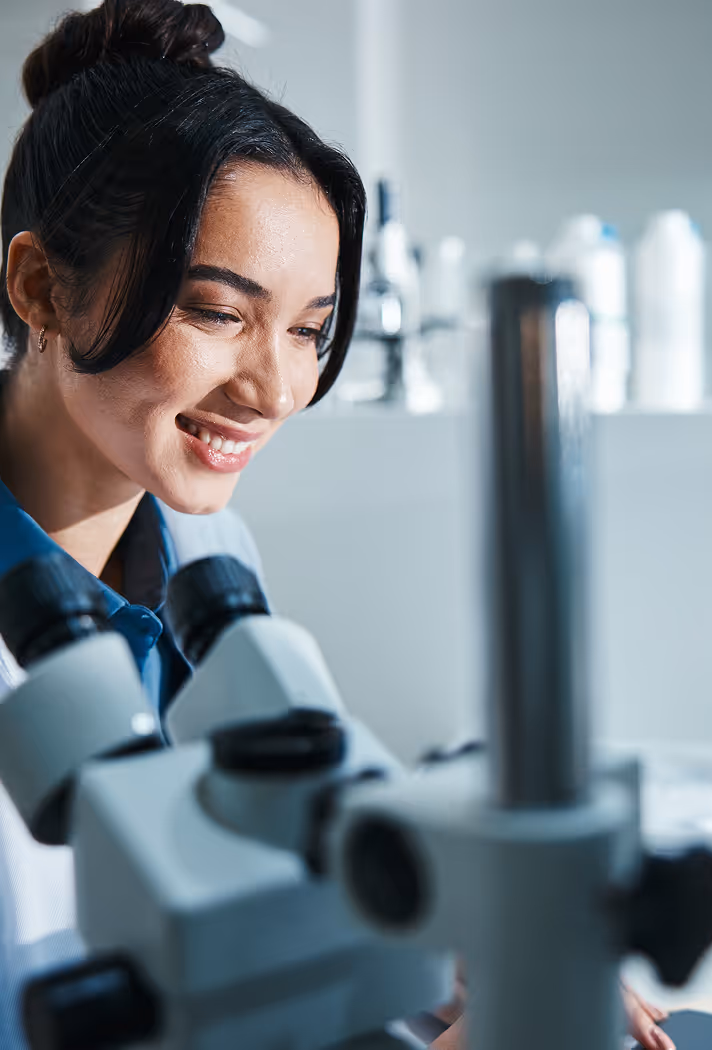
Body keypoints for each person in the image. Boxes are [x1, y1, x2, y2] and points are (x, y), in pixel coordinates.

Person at [0, 2, 675, 1048]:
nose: (275, 388)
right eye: (218, 312)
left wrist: (430, 942)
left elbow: (258, 881)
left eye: (311, 330)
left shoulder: (208, 555)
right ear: (41, 287)